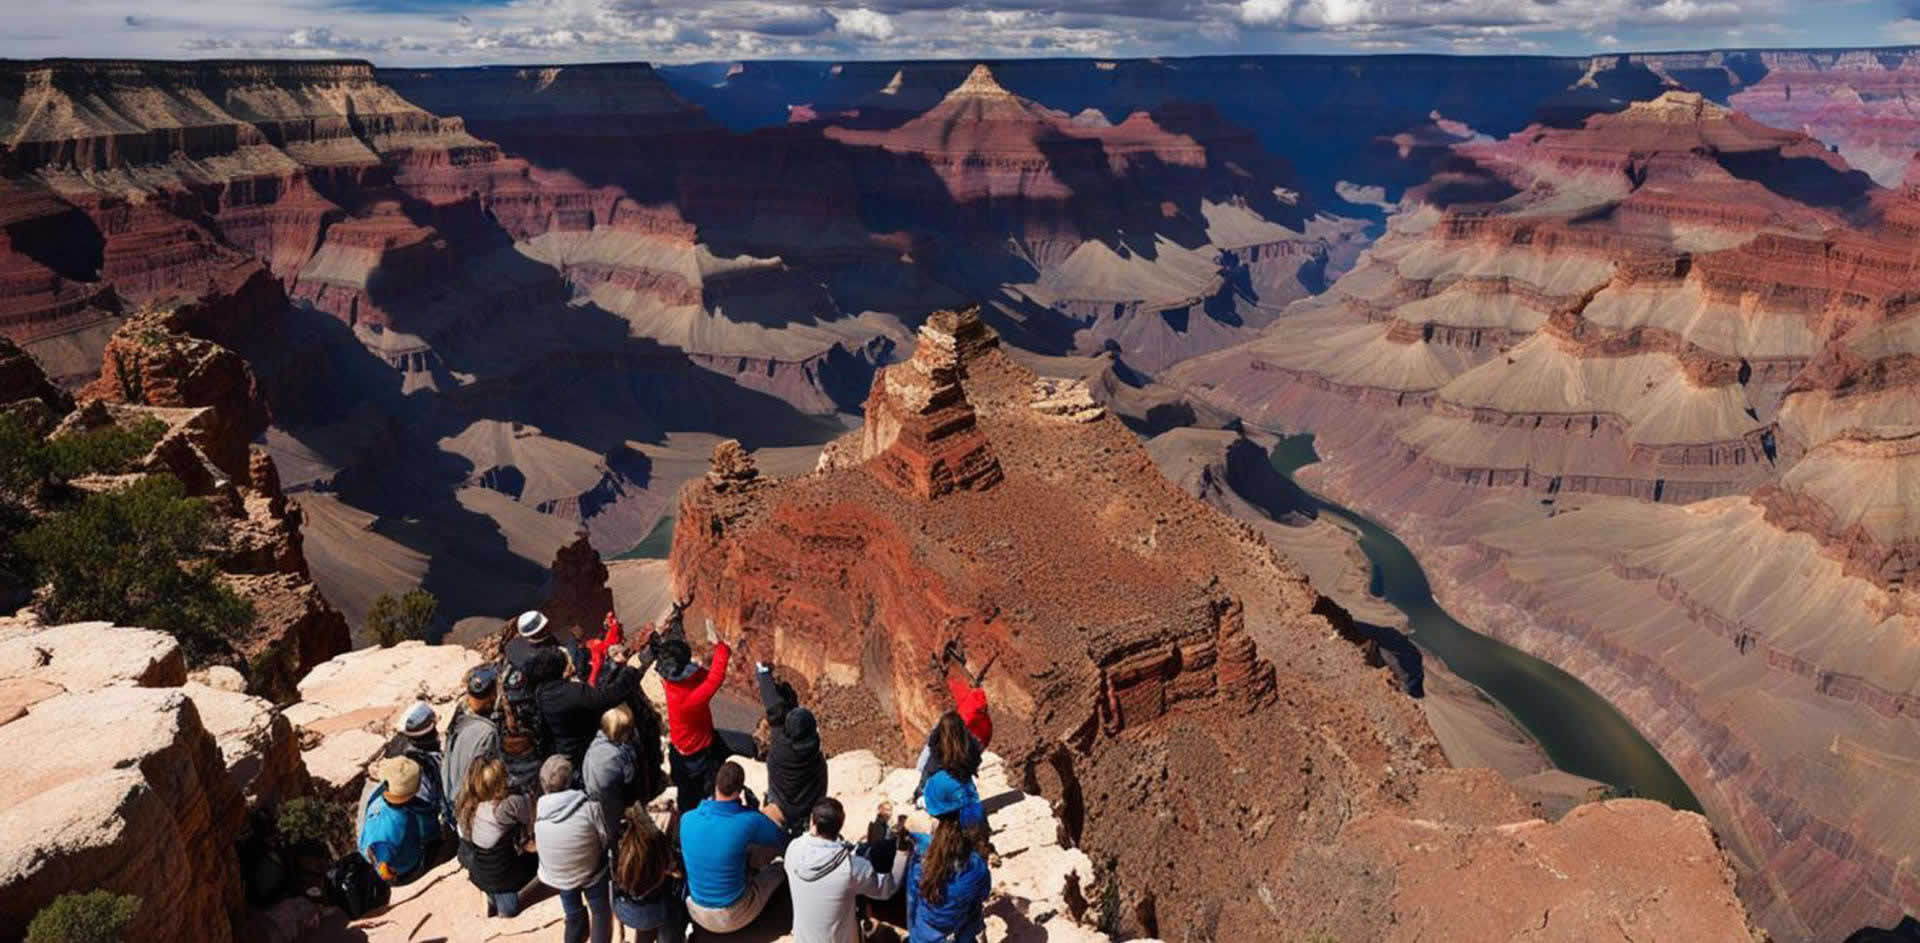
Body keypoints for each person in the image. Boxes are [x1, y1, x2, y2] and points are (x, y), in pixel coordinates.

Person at [679, 761, 786, 934]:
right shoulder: (749, 820)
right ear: (739, 791)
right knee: (778, 869)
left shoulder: (687, 819)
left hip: (696, 910)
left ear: (716, 785)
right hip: (732, 915)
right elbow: (778, 838)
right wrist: (754, 812)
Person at [787, 797, 910, 943]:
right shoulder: (853, 867)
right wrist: (902, 852)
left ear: (813, 822)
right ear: (840, 826)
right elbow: (887, 888)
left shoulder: (792, 850)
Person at [535, 756, 615, 943]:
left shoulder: (540, 809)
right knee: (600, 911)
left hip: (559, 876)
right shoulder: (590, 808)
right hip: (591, 872)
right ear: (573, 780)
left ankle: (575, 921)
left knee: (572, 912)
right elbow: (604, 839)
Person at [661, 619, 735, 805]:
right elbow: (714, 680)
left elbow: (700, 674)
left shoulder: (671, 682)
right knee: (698, 794)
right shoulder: (686, 700)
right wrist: (722, 649)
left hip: (691, 745)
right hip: (695, 755)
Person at [905, 785, 992, 943]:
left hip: (924, 934)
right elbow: (983, 895)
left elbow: (912, 901)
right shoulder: (976, 866)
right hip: (960, 932)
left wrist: (914, 933)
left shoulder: (922, 859)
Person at [454, 757, 537, 918]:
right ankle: (504, 906)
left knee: (493, 871)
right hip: (504, 875)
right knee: (510, 907)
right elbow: (530, 817)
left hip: (479, 870)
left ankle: (490, 897)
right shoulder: (507, 805)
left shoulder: (468, 804)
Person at [535, 645, 642, 769]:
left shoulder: (542, 691)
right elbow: (608, 697)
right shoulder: (572, 692)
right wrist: (630, 672)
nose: (572, 666)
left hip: (565, 748)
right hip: (583, 752)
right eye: (568, 663)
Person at [757, 662, 828, 838]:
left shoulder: (781, 745)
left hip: (779, 807)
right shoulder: (814, 751)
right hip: (807, 810)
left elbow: (772, 705)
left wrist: (763, 673)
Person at [610, 803, 689, 943]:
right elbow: (678, 873)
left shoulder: (617, 842)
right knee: (676, 903)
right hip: (656, 912)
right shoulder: (656, 842)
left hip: (624, 910)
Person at [358, 755, 441, 886]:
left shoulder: (374, 798)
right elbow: (383, 868)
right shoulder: (413, 815)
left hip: (377, 855)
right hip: (406, 871)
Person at [443, 665, 502, 822]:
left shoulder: (460, 712)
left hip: (451, 792)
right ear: (491, 696)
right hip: (469, 803)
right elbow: (485, 774)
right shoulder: (486, 732)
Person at [583, 704, 643, 825]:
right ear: (621, 734)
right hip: (613, 805)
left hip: (594, 801)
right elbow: (629, 780)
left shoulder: (595, 745)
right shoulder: (617, 754)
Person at [914, 712, 983, 803]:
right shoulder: (969, 748)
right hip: (965, 796)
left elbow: (927, 772)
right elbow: (977, 759)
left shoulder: (937, 752)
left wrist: (918, 794)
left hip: (942, 802)